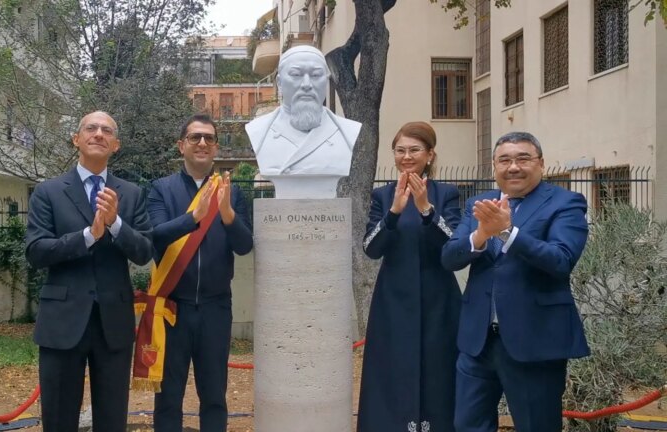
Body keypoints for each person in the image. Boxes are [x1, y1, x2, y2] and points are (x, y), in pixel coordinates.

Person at [441, 132, 590, 431]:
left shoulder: (566, 202)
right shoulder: (479, 203)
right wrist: (481, 234)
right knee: (467, 424)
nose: (513, 167)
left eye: (523, 158)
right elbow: (450, 258)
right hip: (477, 341)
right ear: (494, 166)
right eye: (504, 160)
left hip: (535, 340)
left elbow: (561, 260)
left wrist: (508, 233)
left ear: (541, 163)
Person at [25, 111, 153, 432]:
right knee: (58, 419)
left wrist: (115, 223)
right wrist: (88, 236)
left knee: (112, 420)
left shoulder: (131, 194)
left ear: (116, 145)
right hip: (62, 321)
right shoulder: (48, 192)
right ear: (76, 139)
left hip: (113, 323)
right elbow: (36, 251)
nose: (99, 134)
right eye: (91, 128)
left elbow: (144, 251)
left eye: (107, 130)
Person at [147, 114, 253, 432]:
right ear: (182, 145)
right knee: (168, 396)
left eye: (209, 138)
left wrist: (228, 215)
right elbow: (155, 236)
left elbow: (245, 246)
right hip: (172, 308)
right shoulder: (160, 190)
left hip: (215, 307)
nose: (202, 143)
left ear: (216, 147)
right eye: (195, 137)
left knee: (214, 396)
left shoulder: (231, 193)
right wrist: (193, 217)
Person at [358, 122, 461, 432]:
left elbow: (454, 245)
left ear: (430, 155)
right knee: (391, 368)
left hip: (439, 298)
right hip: (393, 298)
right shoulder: (382, 195)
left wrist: (426, 209)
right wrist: (393, 212)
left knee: (438, 368)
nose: (406, 156)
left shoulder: (446, 194)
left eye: (414, 150)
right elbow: (371, 248)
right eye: (400, 150)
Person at [245, 45, 361, 198]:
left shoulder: (347, 131)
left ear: (326, 81)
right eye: (296, 74)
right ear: (279, 82)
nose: (307, 84)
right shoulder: (259, 131)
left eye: (316, 75)